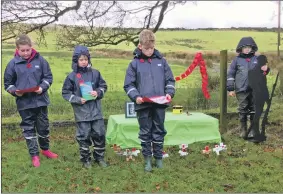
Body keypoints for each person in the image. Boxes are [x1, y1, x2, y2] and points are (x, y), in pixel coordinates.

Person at [123, 29, 176, 172]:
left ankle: (158, 159)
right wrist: (136, 97)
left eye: (152, 48)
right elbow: (129, 85)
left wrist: (169, 93)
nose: (149, 51)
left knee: (159, 130)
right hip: (143, 105)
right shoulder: (134, 64)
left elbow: (170, 80)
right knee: (145, 132)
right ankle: (147, 160)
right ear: (140, 46)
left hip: (159, 104)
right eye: (146, 49)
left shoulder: (162, 61)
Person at [4, 34, 58, 168]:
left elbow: (48, 77)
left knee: (43, 127)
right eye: (22, 50)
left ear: (31, 48)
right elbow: (8, 84)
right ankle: (34, 155)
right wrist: (15, 91)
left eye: (28, 50)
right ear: (17, 49)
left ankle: (45, 150)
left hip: (41, 101)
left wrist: (42, 87)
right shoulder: (12, 64)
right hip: (24, 104)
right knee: (28, 129)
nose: (26, 53)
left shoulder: (41, 61)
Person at [62, 45, 108, 169]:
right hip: (81, 113)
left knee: (99, 134)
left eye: (86, 59)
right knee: (83, 136)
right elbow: (66, 93)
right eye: (81, 59)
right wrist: (77, 99)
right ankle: (85, 159)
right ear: (76, 60)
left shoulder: (95, 73)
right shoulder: (71, 76)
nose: (84, 62)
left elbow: (103, 86)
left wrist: (97, 92)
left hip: (96, 111)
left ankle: (100, 157)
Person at [227, 37, 270, 139]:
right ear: (240, 49)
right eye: (244, 47)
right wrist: (230, 89)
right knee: (243, 109)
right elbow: (231, 74)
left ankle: (253, 130)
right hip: (241, 89)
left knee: (254, 109)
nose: (247, 49)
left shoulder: (257, 59)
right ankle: (243, 130)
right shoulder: (236, 60)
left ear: (252, 48)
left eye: (249, 47)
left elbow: (264, 72)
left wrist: (266, 70)